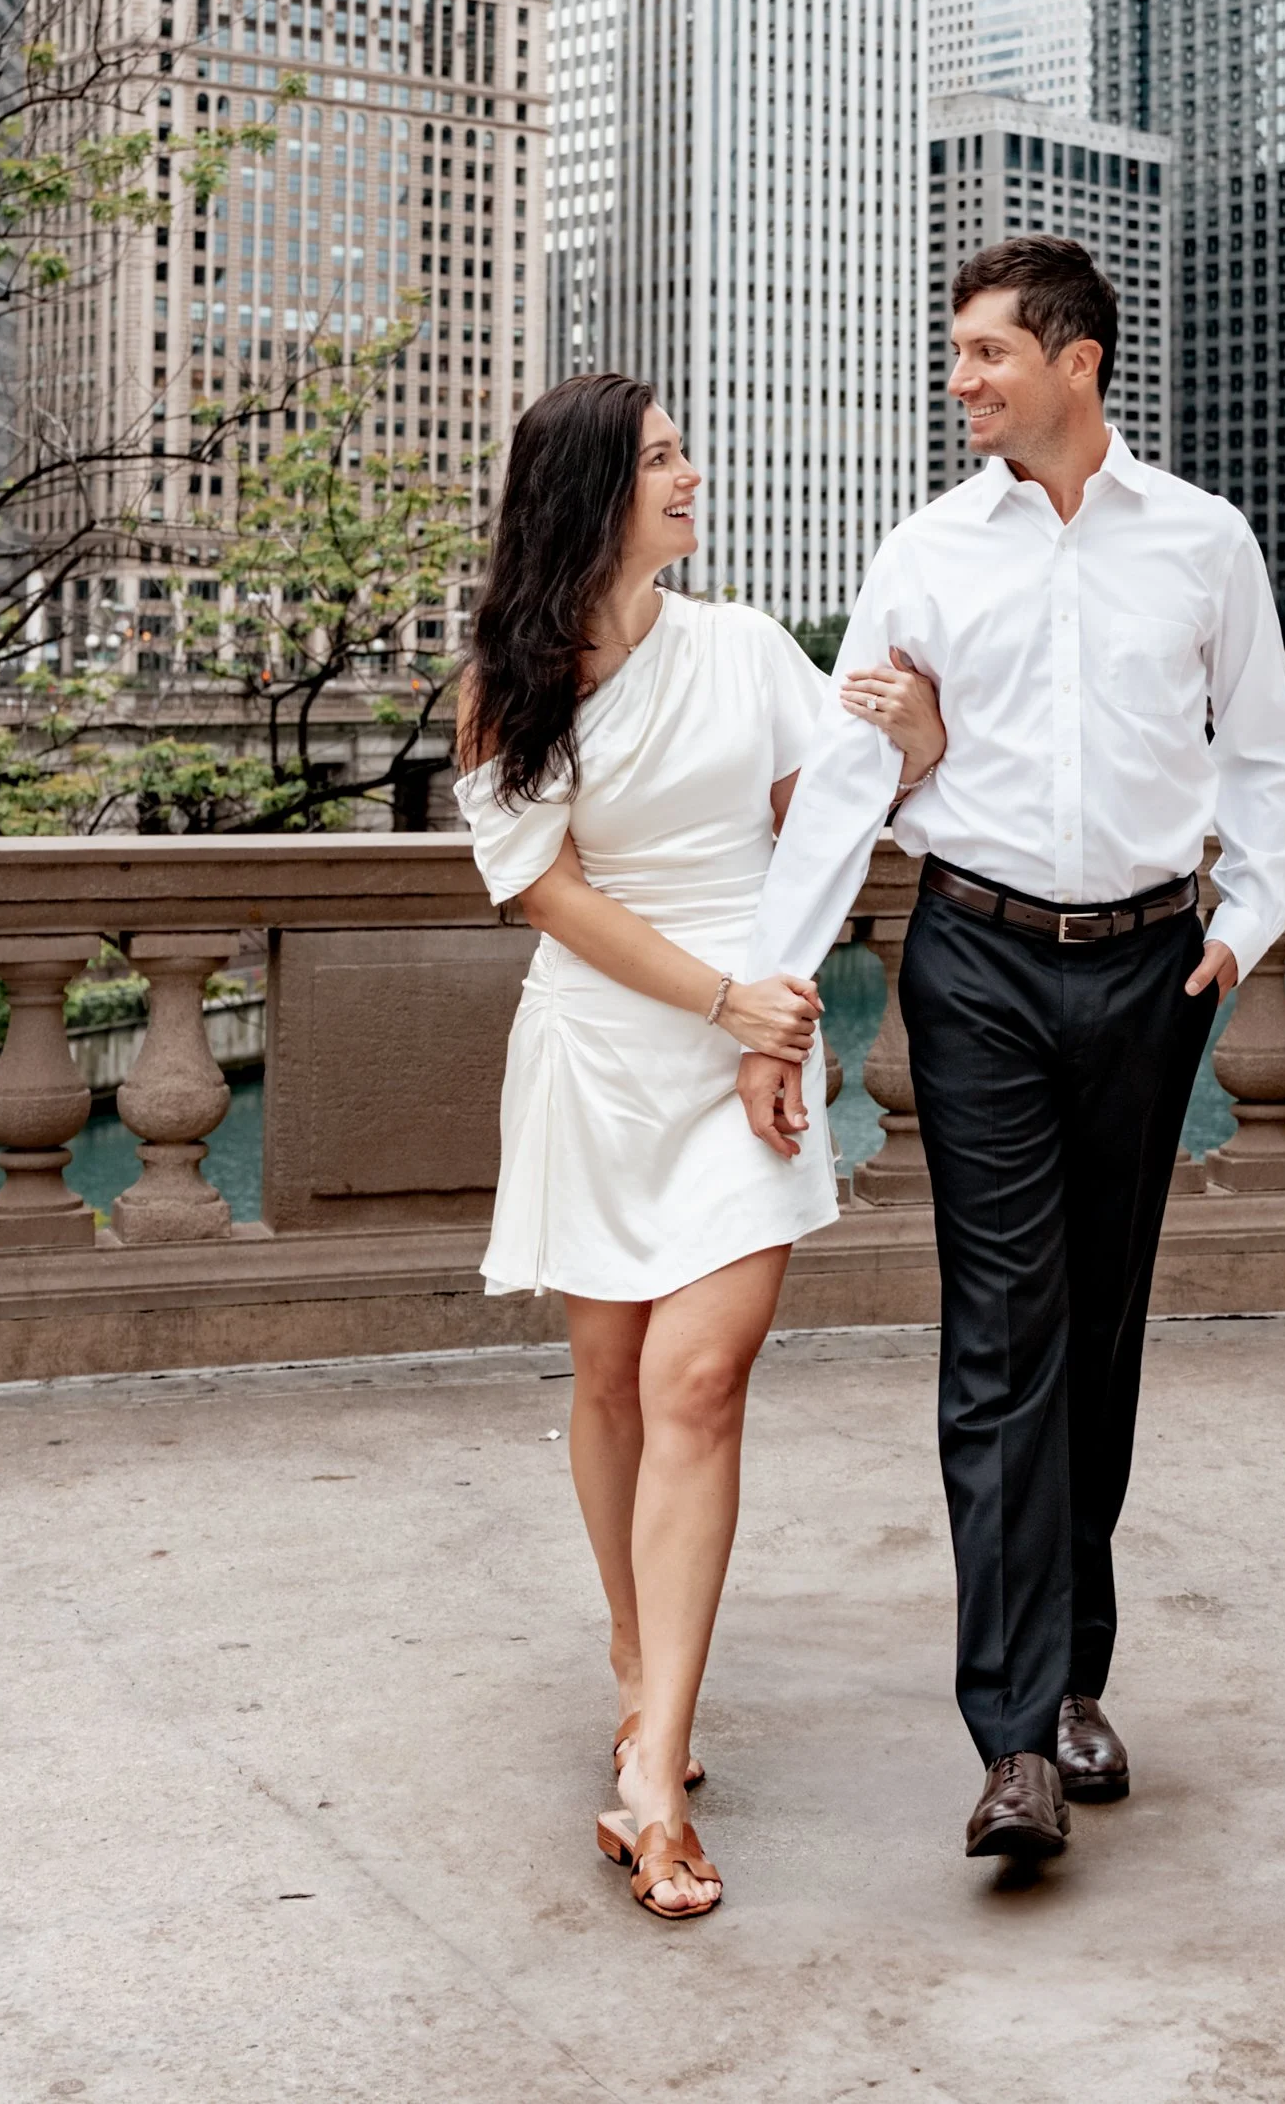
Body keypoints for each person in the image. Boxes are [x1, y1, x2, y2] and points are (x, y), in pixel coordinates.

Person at [744, 238, 1285, 1867]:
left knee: (1104, 1325)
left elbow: (1265, 755)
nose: (960, 378)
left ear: (1077, 362)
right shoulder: (924, 551)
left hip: (1150, 970)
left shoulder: (1206, 544)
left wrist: (1246, 922)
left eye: (987, 352)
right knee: (1004, 1332)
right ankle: (1012, 1741)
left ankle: (1078, 1682)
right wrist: (779, 991)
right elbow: (859, 777)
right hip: (977, 961)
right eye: (957, 352)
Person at [453, 371, 945, 1920]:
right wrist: (722, 1000)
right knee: (607, 1381)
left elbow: (829, 830)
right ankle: (635, 1653)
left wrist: (915, 749)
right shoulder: (506, 680)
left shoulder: (742, 647)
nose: (692, 475)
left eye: (683, 453)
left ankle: (653, 1772)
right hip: (606, 1054)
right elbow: (547, 890)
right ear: (591, 493)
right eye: (662, 458)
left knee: (697, 1383)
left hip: (751, 1063)